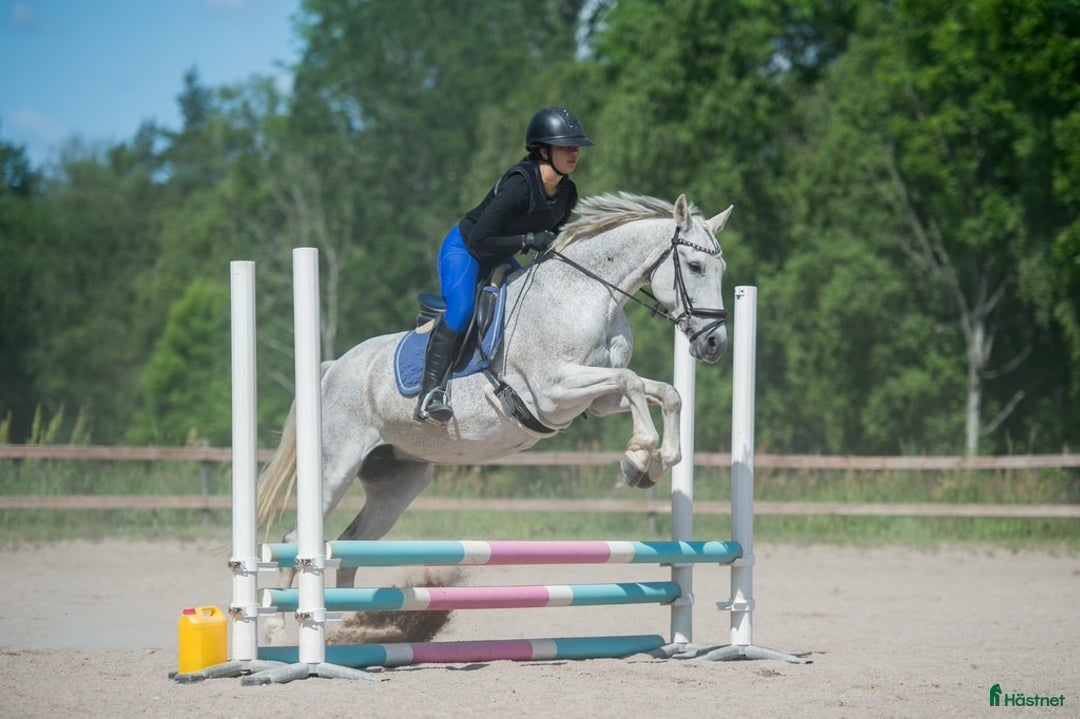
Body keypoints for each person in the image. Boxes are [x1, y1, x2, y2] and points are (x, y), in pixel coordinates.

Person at [415, 107, 595, 424]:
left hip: (499, 254)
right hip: (465, 250)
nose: (574, 153)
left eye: (576, 147)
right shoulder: (519, 185)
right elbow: (480, 240)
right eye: (566, 146)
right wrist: (527, 240)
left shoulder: (568, 193)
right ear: (543, 150)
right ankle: (430, 393)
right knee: (461, 309)